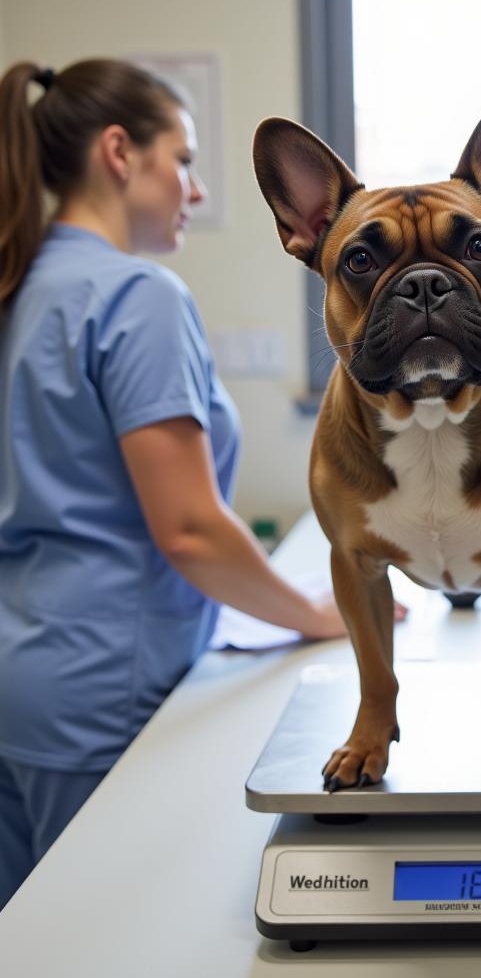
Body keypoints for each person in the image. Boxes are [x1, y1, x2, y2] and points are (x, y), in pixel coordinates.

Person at [0, 58, 355, 910]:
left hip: (23, 671)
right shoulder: (135, 295)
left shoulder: (22, 282)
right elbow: (190, 529)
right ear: (119, 153)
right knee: (108, 934)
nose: (194, 191)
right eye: (184, 161)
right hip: (101, 685)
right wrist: (315, 613)